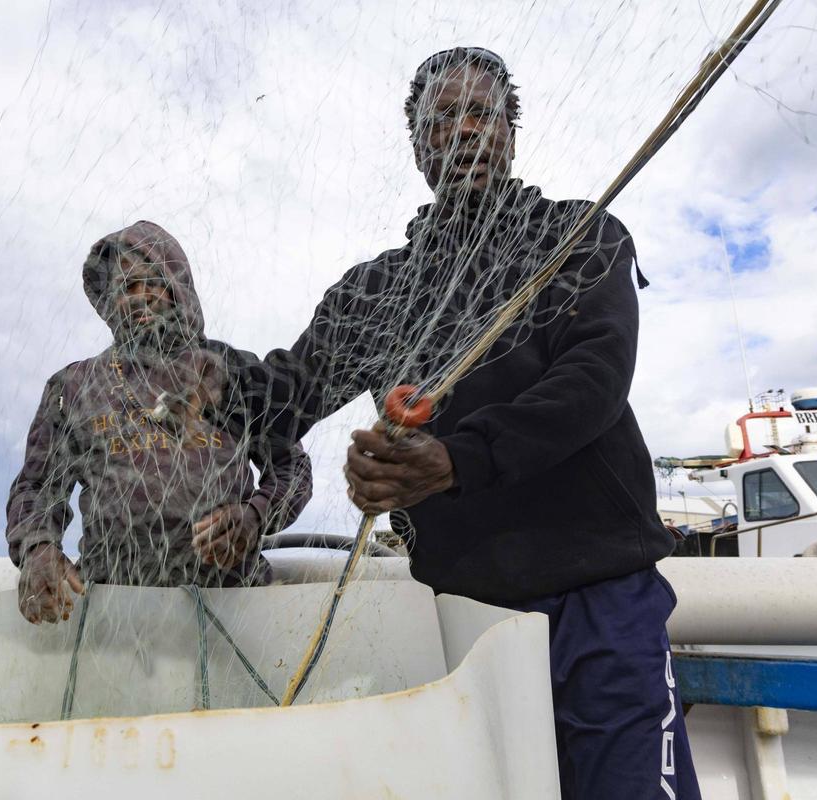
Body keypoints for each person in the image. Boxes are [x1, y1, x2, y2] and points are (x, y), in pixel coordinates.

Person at [236, 48, 698, 799]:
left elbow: (594, 381)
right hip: (462, 614)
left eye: (481, 113)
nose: (463, 131)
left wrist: (455, 460)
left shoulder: (580, 235)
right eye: (441, 120)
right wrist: (187, 376)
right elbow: (285, 394)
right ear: (419, 149)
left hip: (600, 599)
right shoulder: (375, 292)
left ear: (511, 132)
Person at [5, 221, 312, 624]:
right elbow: (36, 487)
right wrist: (38, 549)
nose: (139, 297)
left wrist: (255, 516)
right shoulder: (74, 386)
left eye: (153, 282)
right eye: (126, 287)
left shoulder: (232, 372)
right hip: (113, 608)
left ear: (178, 287)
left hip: (233, 605)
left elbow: (291, 467)